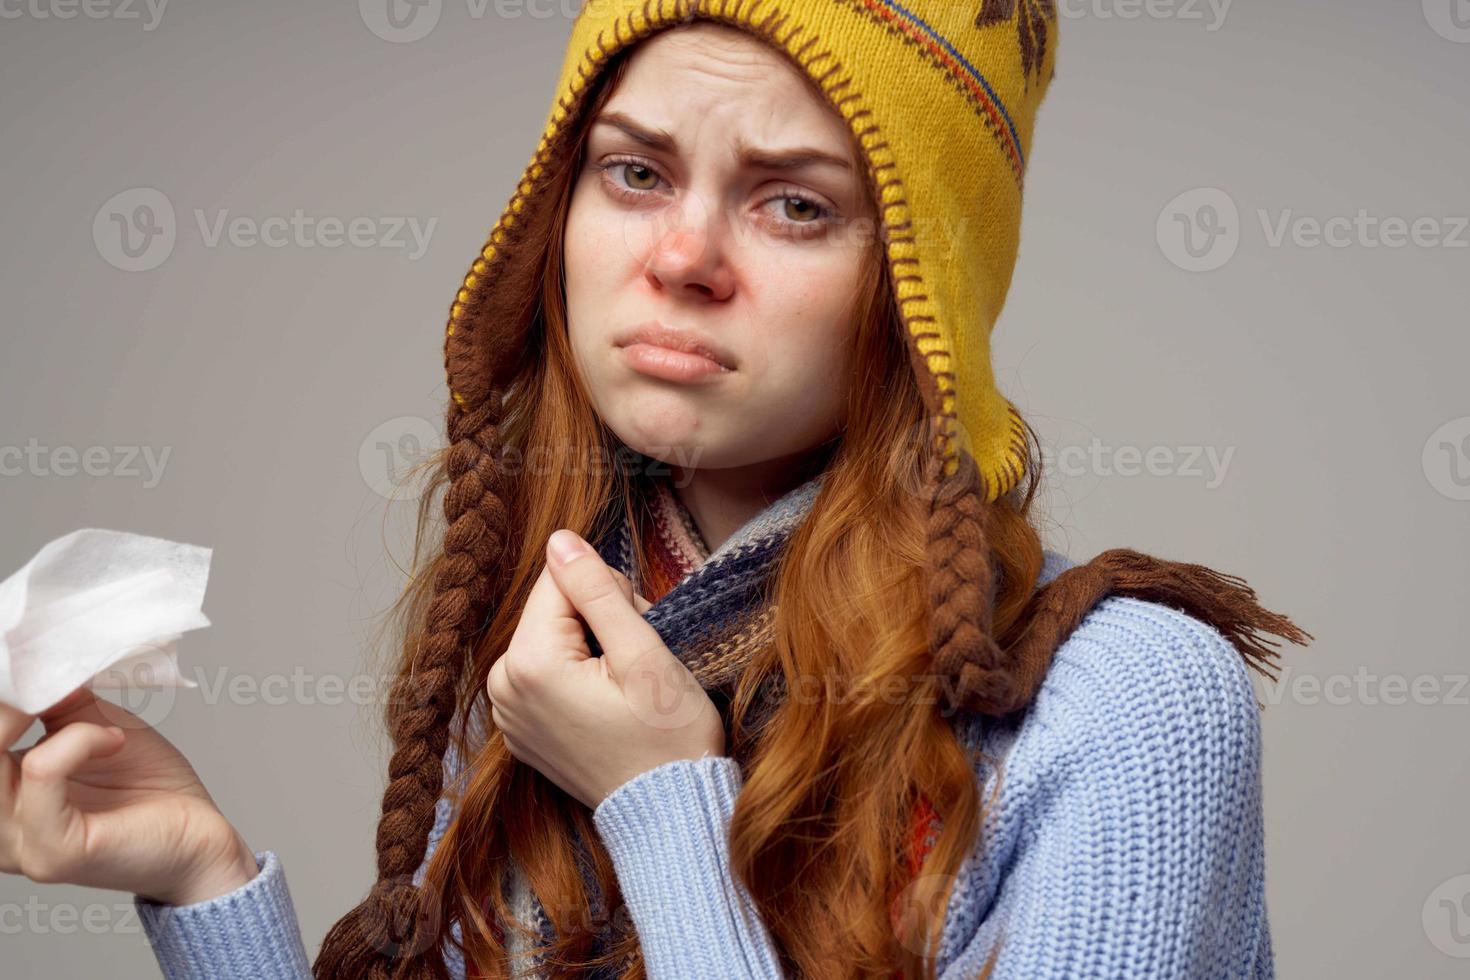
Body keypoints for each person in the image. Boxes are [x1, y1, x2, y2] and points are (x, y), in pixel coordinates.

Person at [0, 2, 1313, 978]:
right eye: (634, 172)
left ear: (922, 293)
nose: (681, 255)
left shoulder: (1127, 705)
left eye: (795, 204)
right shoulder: (561, 648)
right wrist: (202, 883)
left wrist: (659, 809)